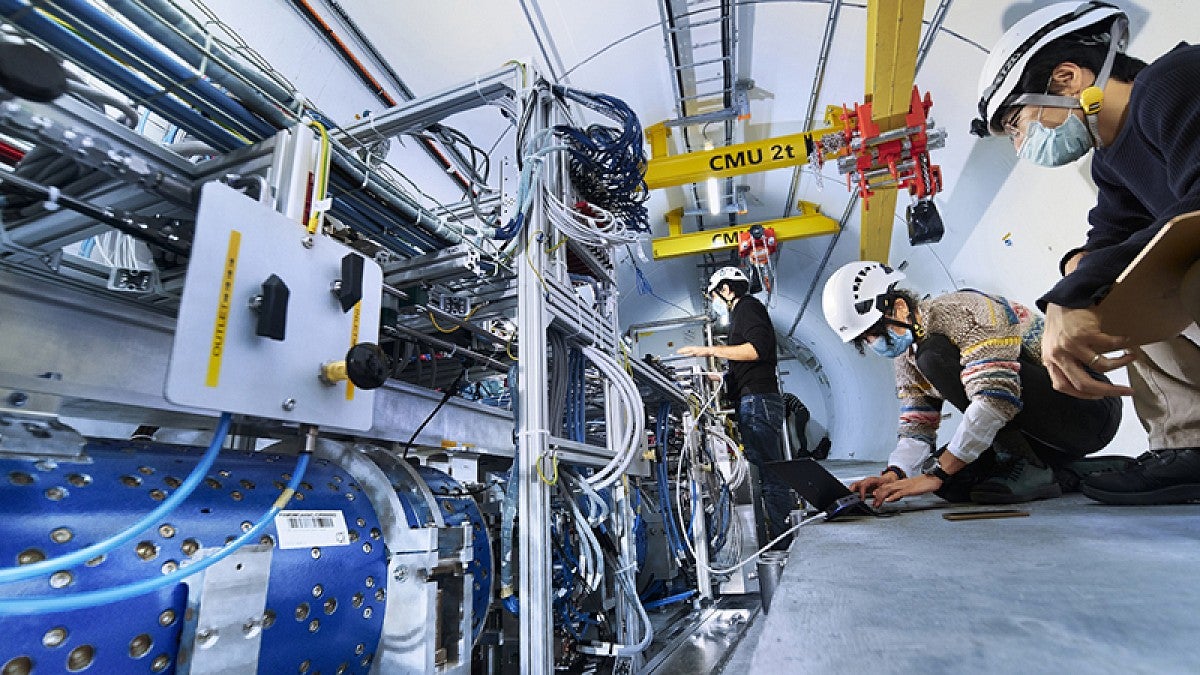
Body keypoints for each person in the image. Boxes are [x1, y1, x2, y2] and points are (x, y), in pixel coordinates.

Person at [972, 1, 1200, 504]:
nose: (1019, 145)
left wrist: (1072, 293)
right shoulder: (1111, 164)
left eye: (1016, 122)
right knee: (1106, 285)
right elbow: (1109, 242)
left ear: (1068, 76)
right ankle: (1187, 446)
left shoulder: (1174, 82)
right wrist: (1069, 296)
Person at [822, 261, 1123, 507]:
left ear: (899, 307)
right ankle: (1065, 472)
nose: (874, 344)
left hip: (1088, 409)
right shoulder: (906, 355)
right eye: (865, 340)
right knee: (954, 487)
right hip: (1042, 432)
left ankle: (1026, 462)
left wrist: (939, 473)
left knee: (934, 360)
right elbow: (918, 425)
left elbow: (996, 398)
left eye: (874, 333)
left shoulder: (965, 312)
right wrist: (895, 473)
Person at [678, 266, 793, 547]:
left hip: (759, 402)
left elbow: (756, 350)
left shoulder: (748, 309)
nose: (715, 300)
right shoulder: (743, 313)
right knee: (766, 471)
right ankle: (779, 535)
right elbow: (748, 362)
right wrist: (723, 376)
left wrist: (708, 350)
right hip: (754, 399)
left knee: (770, 473)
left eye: (715, 294)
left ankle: (784, 539)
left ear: (726, 290)